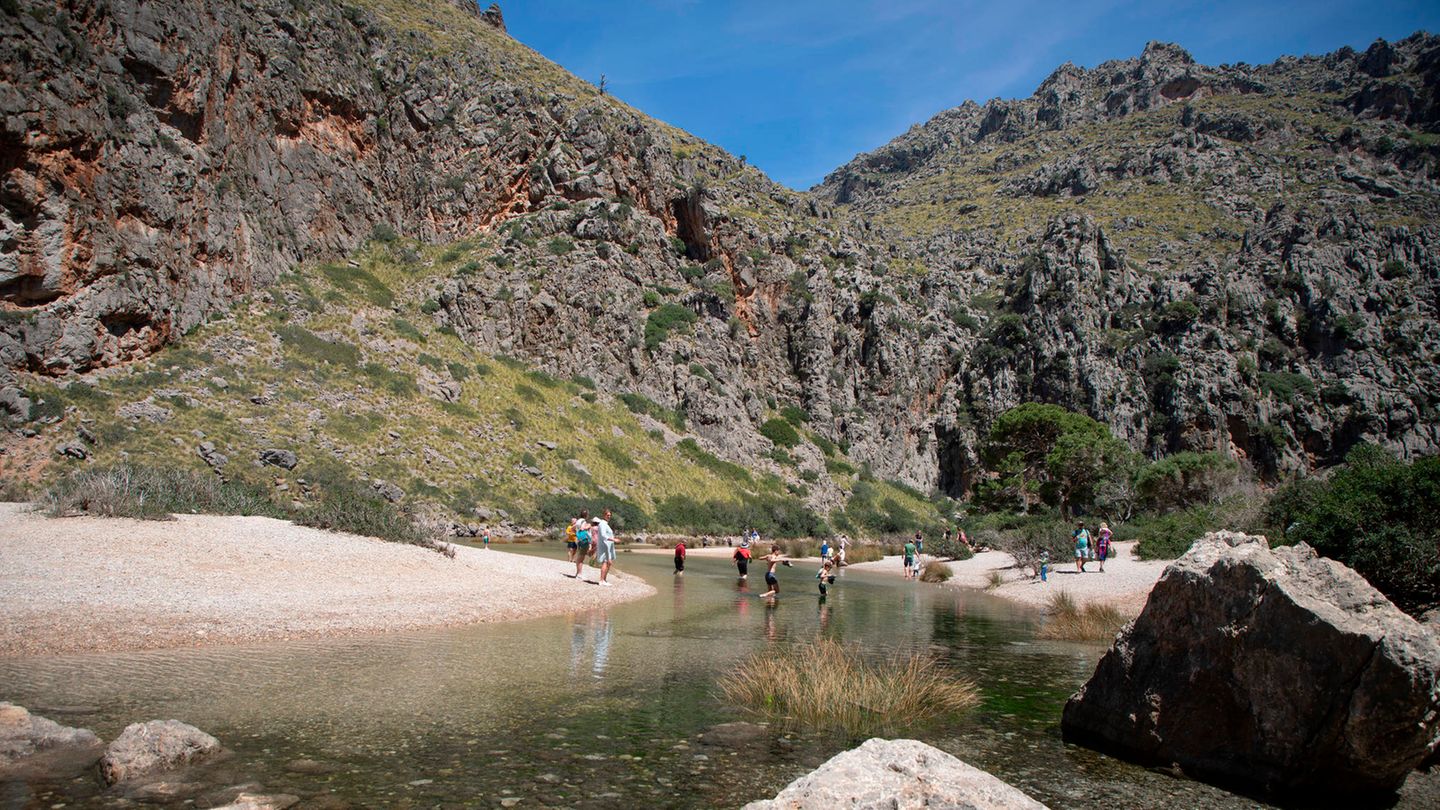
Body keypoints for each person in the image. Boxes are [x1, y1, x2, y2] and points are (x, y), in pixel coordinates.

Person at [593, 508, 617, 587]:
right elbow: (603, 535)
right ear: (604, 515)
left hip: (607, 546)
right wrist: (613, 539)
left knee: (608, 562)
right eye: (607, 515)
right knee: (606, 562)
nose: (609, 516)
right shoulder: (602, 524)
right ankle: (602, 580)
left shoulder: (605, 524)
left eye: (610, 515)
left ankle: (604, 579)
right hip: (605, 546)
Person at [572, 510, 592, 579]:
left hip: (579, 540)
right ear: (586, 515)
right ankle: (579, 574)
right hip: (584, 540)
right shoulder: (584, 521)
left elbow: (572, 528)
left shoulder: (578, 521)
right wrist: (588, 526)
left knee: (579, 556)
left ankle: (577, 573)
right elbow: (583, 528)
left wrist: (577, 533)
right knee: (581, 558)